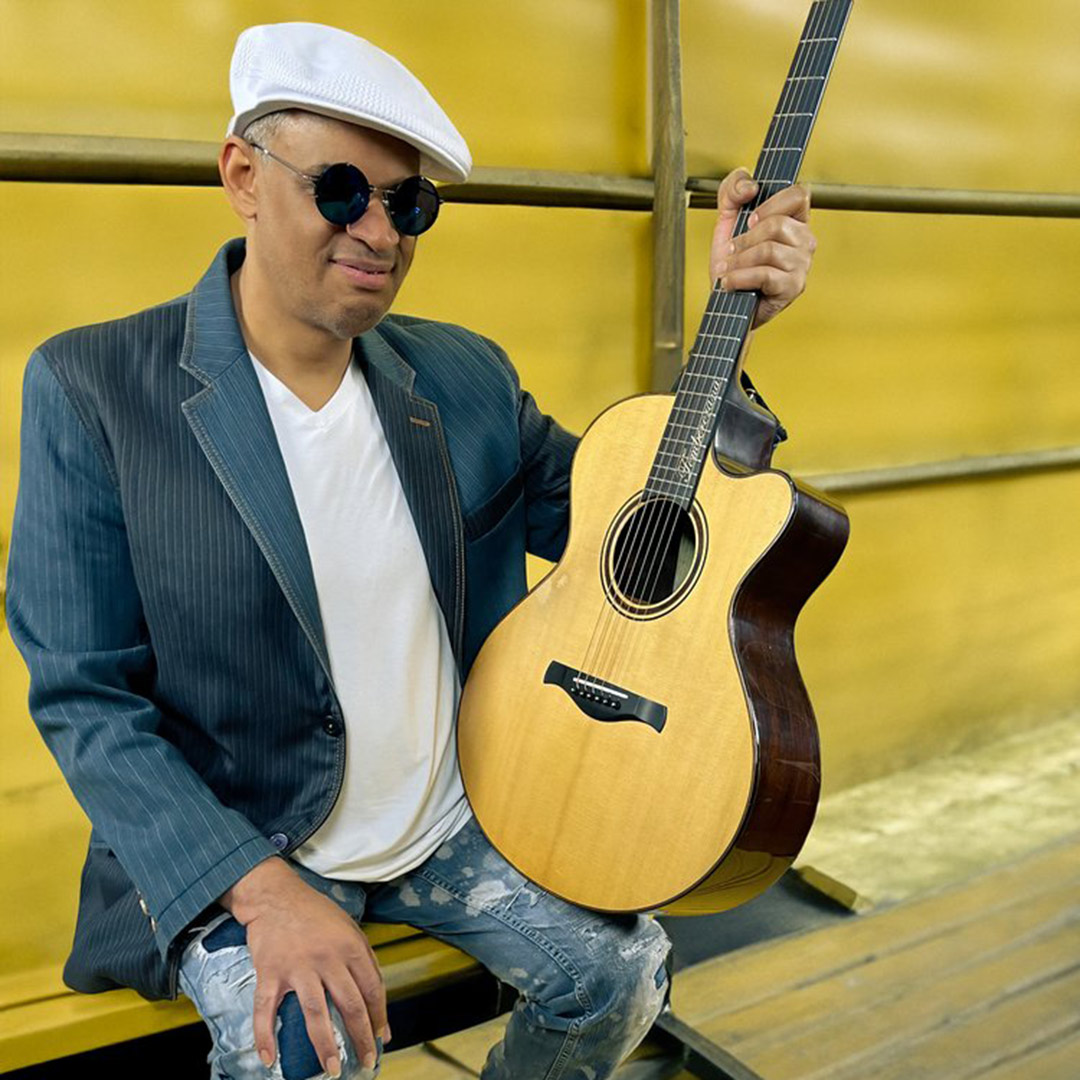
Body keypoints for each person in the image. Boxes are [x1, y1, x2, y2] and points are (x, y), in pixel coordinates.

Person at [4, 21, 817, 1080]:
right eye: (342, 191)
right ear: (244, 176)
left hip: (452, 820)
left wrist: (733, 325)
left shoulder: (463, 379)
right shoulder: (97, 387)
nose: (379, 231)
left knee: (618, 977)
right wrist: (261, 890)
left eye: (409, 203)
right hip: (252, 836)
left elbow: (643, 532)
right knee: (302, 1052)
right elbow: (84, 695)